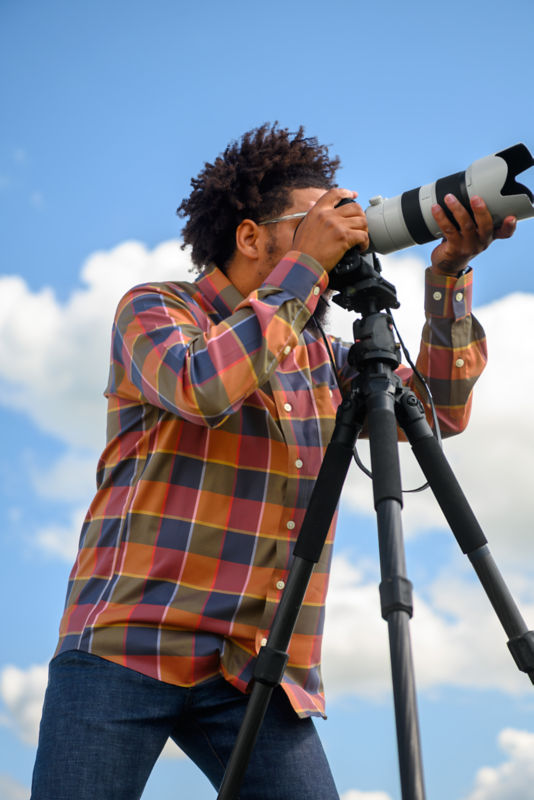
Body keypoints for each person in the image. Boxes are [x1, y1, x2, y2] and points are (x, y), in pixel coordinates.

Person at [30, 124, 516, 800]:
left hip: (255, 665)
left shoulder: (322, 356)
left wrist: (449, 275)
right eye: (316, 222)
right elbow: (203, 385)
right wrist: (305, 272)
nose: (343, 233)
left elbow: (440, 411)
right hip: (128, 645)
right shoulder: (157, 310)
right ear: (251, 237)